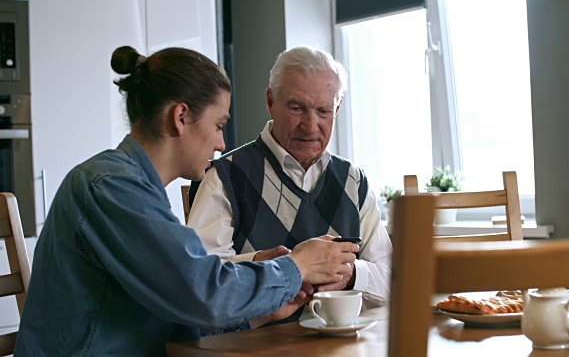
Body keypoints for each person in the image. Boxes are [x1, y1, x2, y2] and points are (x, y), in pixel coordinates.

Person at [14, 46, 358, 356]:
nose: (222, 143)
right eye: (219, 124)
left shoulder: (135, 189)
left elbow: (180, 304)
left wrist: (262, 309)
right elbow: (201, 293)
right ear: (180, 118)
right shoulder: (110, 187)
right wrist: (296, 267)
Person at [187, 46, 392, 311]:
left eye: (323, 111)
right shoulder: (225, 176)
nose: (310, 125)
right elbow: (198, 277)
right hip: (257, 347)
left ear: (337, 109)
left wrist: (350, 274)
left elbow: (392, 282)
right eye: (297, 108)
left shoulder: (355, 182)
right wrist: (281, 266)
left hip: (343, 348)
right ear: (270, 102)